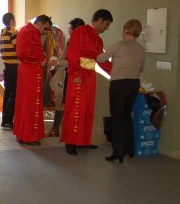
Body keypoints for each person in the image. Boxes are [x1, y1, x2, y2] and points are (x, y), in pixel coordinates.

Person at [61, 9, 113, 156]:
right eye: (107, 24)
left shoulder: (98, 38)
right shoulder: (81, 32)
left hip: (90, 75)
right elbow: (73, 54)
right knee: (76, 109)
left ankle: (83, 140)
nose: (107, 28)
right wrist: (76, 72)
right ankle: (71, 142)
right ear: (100, 20)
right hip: (79, 74)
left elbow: (100, 59)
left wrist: (115, 73)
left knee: (88, 108)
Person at [97, 19, 145, 163]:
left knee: (117, 118)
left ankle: (118, 152)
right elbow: (141, 68)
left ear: (125, 30)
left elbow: (100, 58)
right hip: (134, 84)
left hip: (119, 83)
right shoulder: (140, 49)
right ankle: (129, 149)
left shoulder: (119, 45)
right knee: (126, 116)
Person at [13, 15, 51, 146]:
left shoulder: (25, 29)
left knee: (25, 102)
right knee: (31, 102)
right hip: (31, 70)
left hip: (26, 68)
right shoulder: (32, 31)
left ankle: (22, 132)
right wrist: (41, 58)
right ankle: (28, 136)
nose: (45, 32)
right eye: (45, 28)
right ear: (40, 23)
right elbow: (25, 51)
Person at [46, 18, 85, 137]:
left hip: (73, 76)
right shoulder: (71, 41)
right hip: (67, 75)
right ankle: (56, 128)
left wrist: (57, 62)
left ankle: (67, 131)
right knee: (60, 101)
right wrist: (58, 61)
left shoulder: (80, 43)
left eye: (70, 29)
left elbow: (74, 62)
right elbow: (66, 59)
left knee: (65, 103)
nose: (68, 31)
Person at [0, 13, 18, 129]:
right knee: (14, 93)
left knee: (7, 92)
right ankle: (8, 119)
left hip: (6, 65)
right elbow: (19, 49)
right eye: (14, 19)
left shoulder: (2, 33)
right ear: (11, 21)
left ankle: (4, 119)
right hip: (14, 66)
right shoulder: (13, 33)